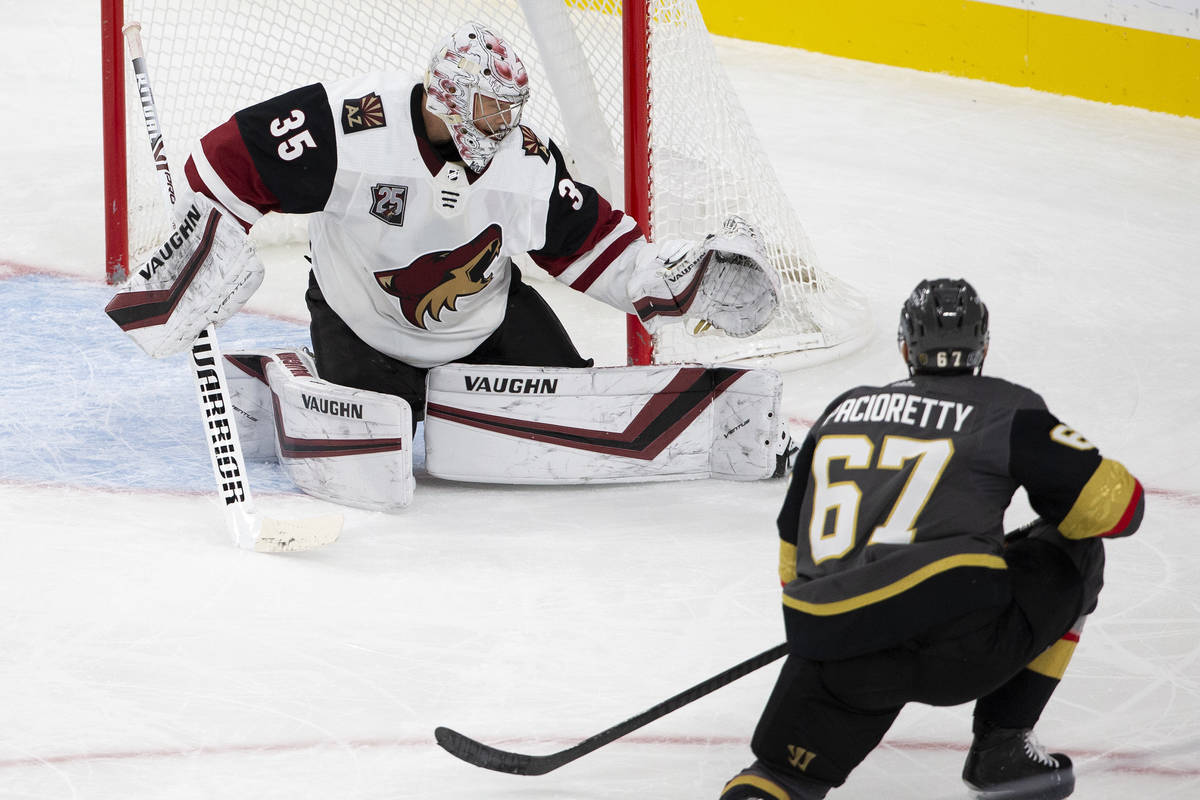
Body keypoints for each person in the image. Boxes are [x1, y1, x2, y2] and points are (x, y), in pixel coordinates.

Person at [180, 20, 778, 431]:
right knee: (385, 426)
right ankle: (301, 377)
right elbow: (223, 160)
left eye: (512, 109)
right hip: (361, 322)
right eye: (492, 107)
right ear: (448, 96)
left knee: (570, 404)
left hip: (484, 318)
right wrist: (201, 250)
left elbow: (588, 243)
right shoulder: (351, 126)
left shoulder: (523, 160)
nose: (507, 123)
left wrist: (666, 278)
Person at [720, 278, 1145, 800]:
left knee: (775, 781)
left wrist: (832, 633)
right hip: (963, 643)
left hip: (839, 647)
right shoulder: (1008, 410)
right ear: (983, 347)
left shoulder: (840, 412)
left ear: (904, 345)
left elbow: (792, 558)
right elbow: (1119, 511)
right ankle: (1002, 746)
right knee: (1077, 550)